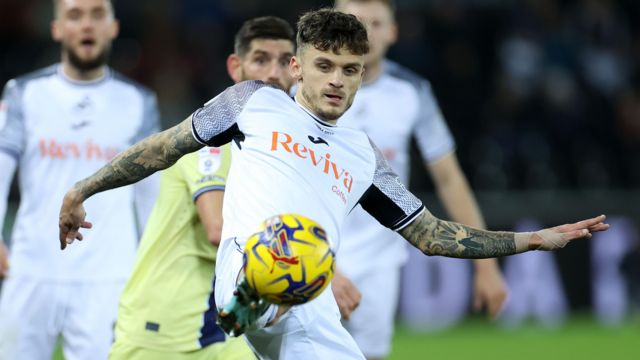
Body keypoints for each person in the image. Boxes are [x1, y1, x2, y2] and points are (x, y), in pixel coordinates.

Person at [58, 8, 609, 360]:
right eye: (324, 66)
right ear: (297, 67)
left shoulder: (363, 156)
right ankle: (250, 300)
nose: (337, 81)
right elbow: (161, 147)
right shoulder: (254, 103)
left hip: (310, 304)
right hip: (247, 269)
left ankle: (267, 301)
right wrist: (82, 189)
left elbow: (432, 235)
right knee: (279, 261)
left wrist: (530, 240)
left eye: (351, 70)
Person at [107, 16, 295, 360]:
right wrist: (310, 265)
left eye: (285, 61)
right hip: (162, 326)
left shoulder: (277, 153)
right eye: (261, 60)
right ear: (235, 68)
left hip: (222, 325)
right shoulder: (210, 138)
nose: (273, 73)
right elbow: (217, 228)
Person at [331, 0, 506, 357]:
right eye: (353, 22)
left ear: (394, 31)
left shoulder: (411, 92)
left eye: (376, 23)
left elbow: (449, 179)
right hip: (315, 249)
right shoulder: (303, 90)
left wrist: (487, 267)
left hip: (379, 260)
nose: (365, 32)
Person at [0, 0, 160, 359]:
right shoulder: (24, 93)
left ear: (113, 26)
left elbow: (152, 194)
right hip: (31, 270)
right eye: (75, 15)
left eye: (96, 15)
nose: (86, 25)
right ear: (57, 28)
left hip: (110, 276)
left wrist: (151, 264)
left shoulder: (139, 101)